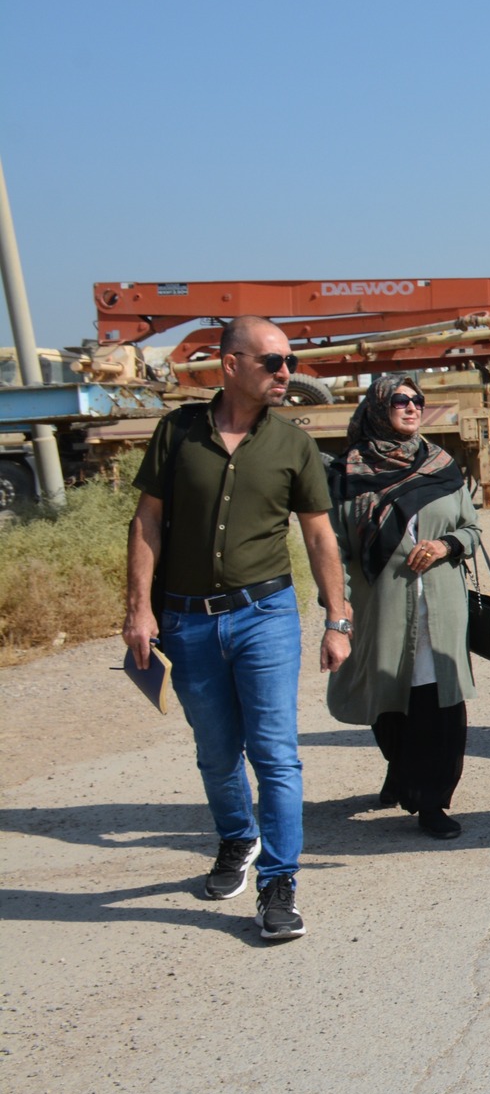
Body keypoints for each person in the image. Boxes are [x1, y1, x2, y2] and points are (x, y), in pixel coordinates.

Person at [123, 316, 349, 942]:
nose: (286, 374)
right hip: (186, 621)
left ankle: (280, 884)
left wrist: (338, 618)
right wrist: (138, 608)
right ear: (231, 365)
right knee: (216, 752)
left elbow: (318, 535)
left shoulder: (293, 444)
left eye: (288, 362)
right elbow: (147, 523)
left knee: (274, 753)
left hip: (266, 616)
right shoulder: (178, 432)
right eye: (272, 363)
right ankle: (237, 840)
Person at [326, 376, 484, 840]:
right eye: (400, 400)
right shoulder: (347, 474)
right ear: (378, 407)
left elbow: (472, 530)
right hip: (381, 607)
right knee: (388, 700)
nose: (412, 407)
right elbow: (331, 547)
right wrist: (336, 605)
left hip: (441, 607)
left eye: (418, 400)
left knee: (441, 705)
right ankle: (401, 772)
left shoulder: (441, 466)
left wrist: (445, 545)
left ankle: (432, 801)